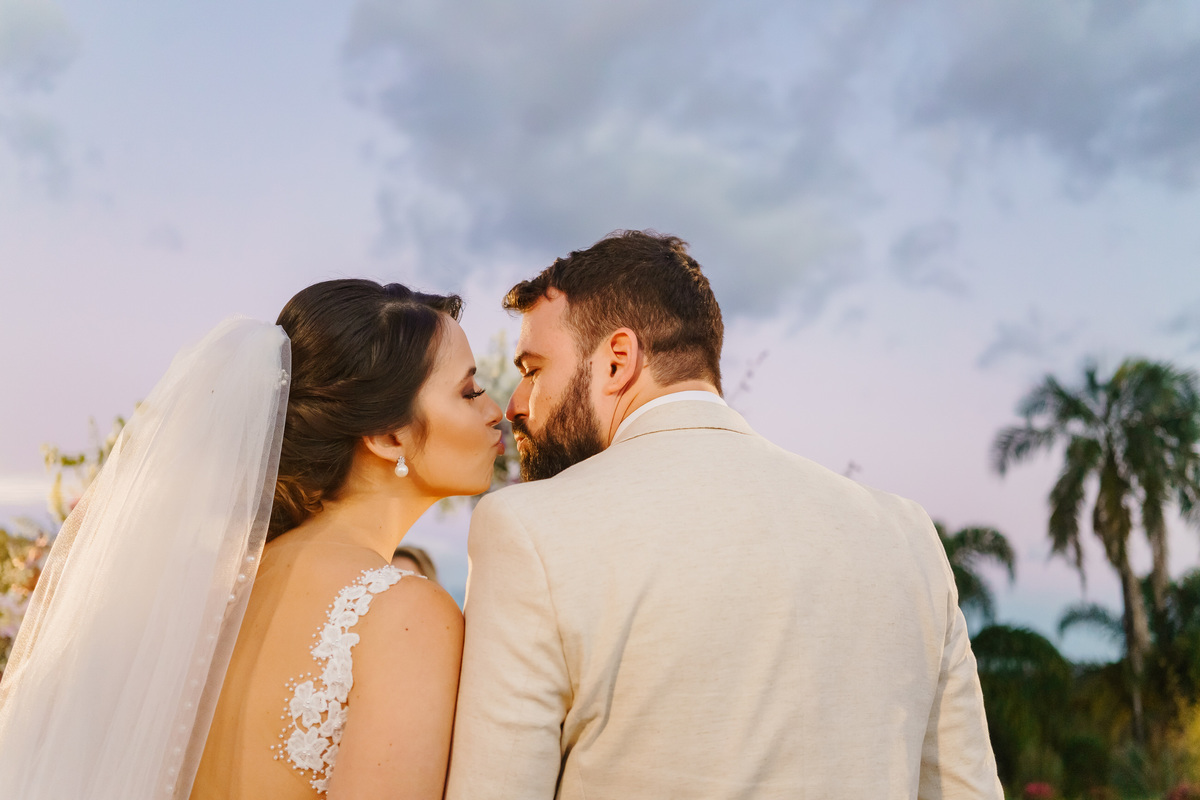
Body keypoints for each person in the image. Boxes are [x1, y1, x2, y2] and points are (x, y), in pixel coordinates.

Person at [446, 231, 1004, 799]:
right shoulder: (904, 534)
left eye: (534, 369)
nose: (515, 403)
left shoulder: (529, 529)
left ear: (617, 361)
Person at [0, 279, 504, 800]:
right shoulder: (405, 614)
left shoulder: (211, 590)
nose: (497, 411)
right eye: (469, 392)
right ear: (385, 435)